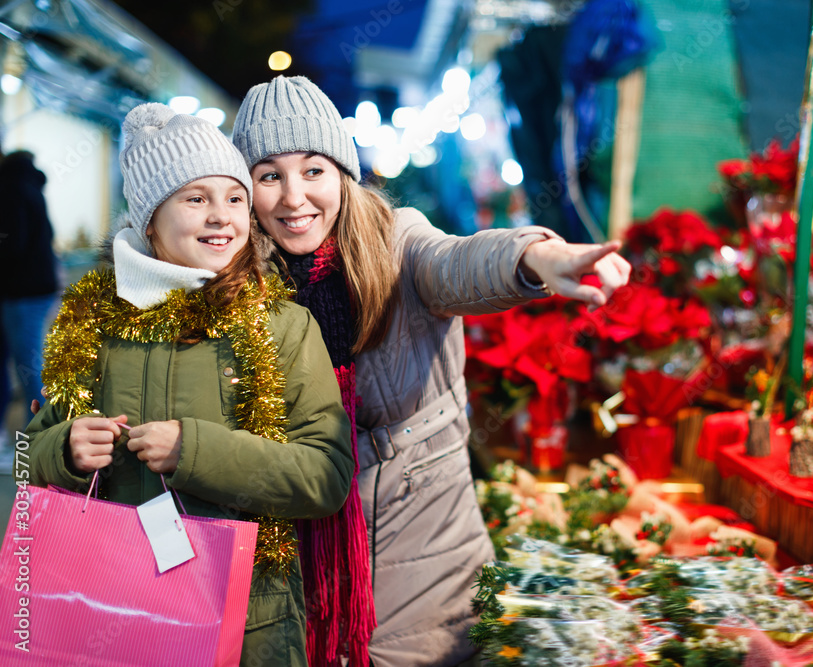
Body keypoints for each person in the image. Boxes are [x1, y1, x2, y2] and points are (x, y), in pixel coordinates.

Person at [232, 75, 632, 666]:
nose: (295, 198)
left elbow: (459, 263)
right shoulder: (239, 286)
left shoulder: (397, 241)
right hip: (300, 553)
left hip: (426, 540)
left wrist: (535, 258)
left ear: (341, 171)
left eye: (313, 170)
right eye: (270, 175)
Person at [25, 103, 354, 666]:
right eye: (195, 199)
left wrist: (194, 451)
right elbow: (25, 453)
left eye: (234, 199)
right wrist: (65, 449)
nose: (221, 217)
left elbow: (327, 474)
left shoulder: (281, 323)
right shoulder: (91, 322)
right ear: (150, 218)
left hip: (249, 618)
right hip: (110, 605)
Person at [0, 150, 60, 431]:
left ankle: (36, 441)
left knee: (28, 368)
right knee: (27, 365)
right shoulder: (29, 187)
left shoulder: (10, 189)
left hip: (21, 292)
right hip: (33, 290)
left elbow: (13, 244)